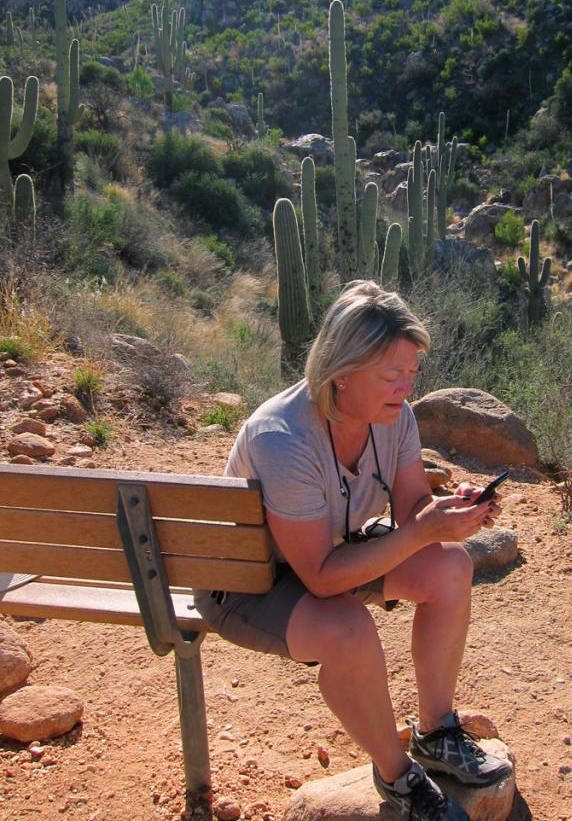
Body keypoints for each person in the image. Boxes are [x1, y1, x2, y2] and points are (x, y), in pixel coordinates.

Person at [194, 280, 511, 821]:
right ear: (341, 372)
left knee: (449, 568)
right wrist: (418, 532)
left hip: (327, 555)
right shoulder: (282, 437)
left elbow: (412, 507)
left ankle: (436, 732)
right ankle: (396, 774)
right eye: (392, 376)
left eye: (411, 375)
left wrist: (446, 516)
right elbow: (320, 578)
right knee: (349, 629)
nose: (405, 390)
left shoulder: (395, 418)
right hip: (247, 582)